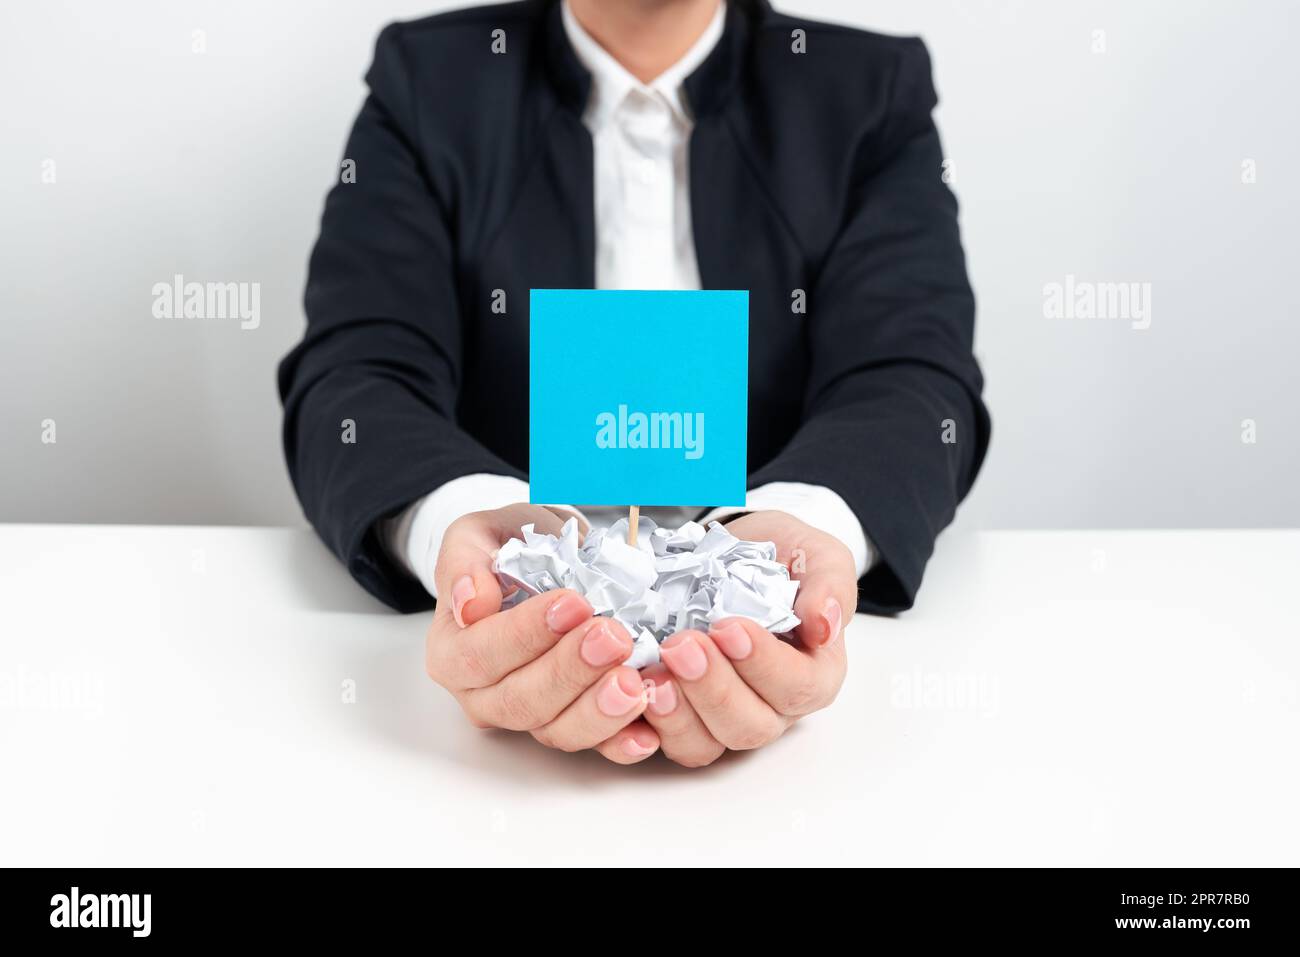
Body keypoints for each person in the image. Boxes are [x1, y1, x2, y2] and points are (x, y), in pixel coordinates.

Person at [278, 0, 990, 767]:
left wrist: (796, 542)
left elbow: (913, 378)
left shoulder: (864, 94)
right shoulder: (431, 82)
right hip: (488, 756)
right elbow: (355, 374)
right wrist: (472, 530)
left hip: (789, 754)